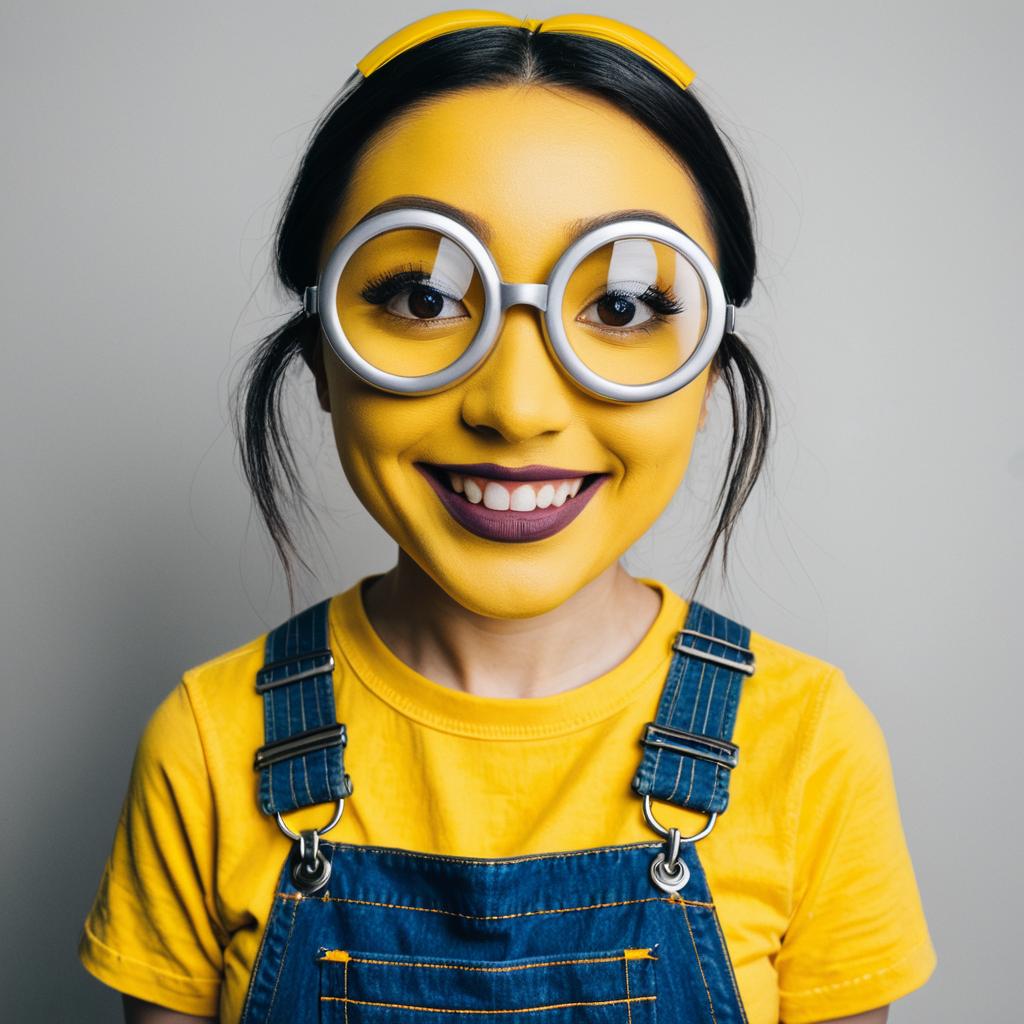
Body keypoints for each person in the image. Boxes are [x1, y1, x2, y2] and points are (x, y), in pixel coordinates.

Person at [78, 11, 936, 1024]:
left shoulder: (806, 745)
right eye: (422, 295)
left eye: (619, 306)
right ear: (319, 356)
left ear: (705, 368)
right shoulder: (209, 744)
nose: (516, 406)